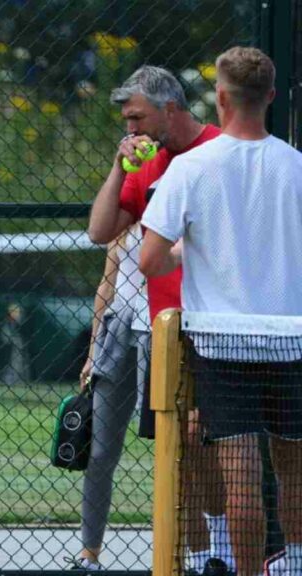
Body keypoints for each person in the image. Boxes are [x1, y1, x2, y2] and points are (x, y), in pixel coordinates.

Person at [141, 46, 302, 576]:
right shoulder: (296, 167)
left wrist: (195, 246)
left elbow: (150, 258)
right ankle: (295, 564)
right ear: (271, 97)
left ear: (222, 96)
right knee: (293, 471)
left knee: (241, 478)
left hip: (221, 344)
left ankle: (249, 572)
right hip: (291, 340)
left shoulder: (191, 169)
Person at [85, 65, 231, 574]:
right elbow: (100, 231)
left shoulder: (219, 150)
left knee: (208, 442)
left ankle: (226, 548)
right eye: (125, 121)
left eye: (136, 118)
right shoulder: (145, 162)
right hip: (163, 330)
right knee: (176, 448)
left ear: (170, 108)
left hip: (217, 324)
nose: (131, 130)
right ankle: (196, 559)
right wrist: (118, 166)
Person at [68, 227, 144, 571]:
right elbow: (107, 284)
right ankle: (89, 554)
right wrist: (93, 352)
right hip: (119, 331)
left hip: (164, 327)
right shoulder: (124, 216)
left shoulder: (178, 192)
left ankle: (195, 549)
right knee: (99, 452)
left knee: (179, 446)